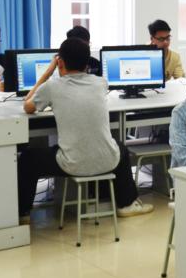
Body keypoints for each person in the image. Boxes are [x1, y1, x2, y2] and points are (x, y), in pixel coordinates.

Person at [17, 38, 153, 219]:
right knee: (120, 147)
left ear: (60, 62)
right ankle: (127, 204)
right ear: (87, 64)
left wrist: (47, 73)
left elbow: (27, 106)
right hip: (108, 162)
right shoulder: (100, 83)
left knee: (27, 158)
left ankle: (23, 213)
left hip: (72, 164)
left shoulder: (52, 86)